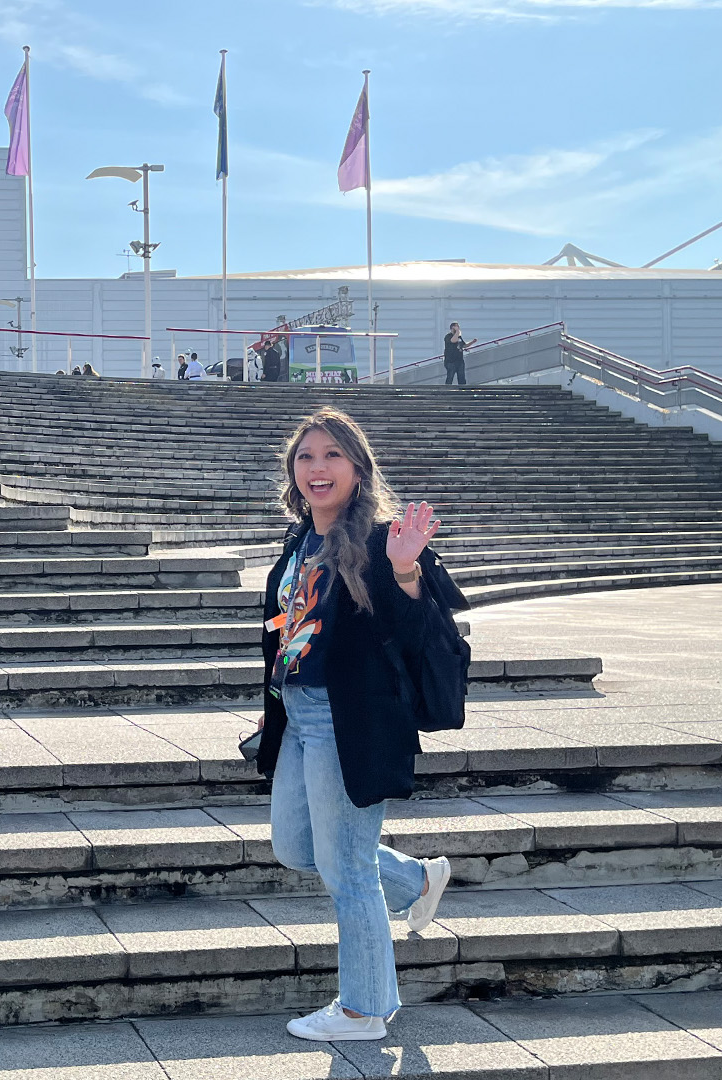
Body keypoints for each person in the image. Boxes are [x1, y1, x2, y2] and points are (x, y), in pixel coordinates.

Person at [256, 407, 454, 1043]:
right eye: (307, 455)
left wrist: (404, 571)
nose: (318, 467)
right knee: (296, 847)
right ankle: (417, 877)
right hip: (299, 716)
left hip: (349, 721)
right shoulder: (300, 540)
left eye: (333, 455)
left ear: (358, 468)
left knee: (346, 870)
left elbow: (413, 634)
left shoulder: (381, 540)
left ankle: (364, 1009)